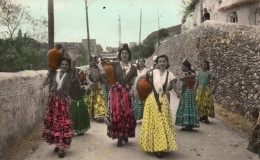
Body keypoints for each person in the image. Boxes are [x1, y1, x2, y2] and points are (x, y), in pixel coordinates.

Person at [139, 54, 180, 159]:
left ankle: (160, 147)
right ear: (157, 63)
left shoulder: (170, 75)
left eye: (164, 61)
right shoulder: (152, 73)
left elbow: (174, 88)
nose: (162, 63)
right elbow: (141, 79)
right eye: (160, 61)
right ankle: (156, 147)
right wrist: (137, 90)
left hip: (163, 101)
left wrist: (180, 95)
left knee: (162, 123)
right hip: (152, 100)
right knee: (154, 123)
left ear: (167, 63)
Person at [98, 44, 137, 147]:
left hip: (127, 93)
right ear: (120, 54)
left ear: (129, 55)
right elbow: (100, 63)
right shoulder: (115, 64)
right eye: (122, 53)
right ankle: (119, 136)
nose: (124, 55)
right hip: (115, 92)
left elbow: (135, 80)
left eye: (126, 53)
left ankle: (125, 134)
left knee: (126, 114)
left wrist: (132, 87)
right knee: (117, 114)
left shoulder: (133, 68)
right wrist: (102, 71)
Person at [42, 54, 78, 158]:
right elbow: (43, 83)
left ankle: (62, 147)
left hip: (64, 102)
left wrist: (73, 62)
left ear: (69, 65)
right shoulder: (54, 74)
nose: (64, 66)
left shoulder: (70, 75)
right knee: (55, 124)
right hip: (53, 102)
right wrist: (49, 72)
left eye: (67, 64)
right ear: (60, 65)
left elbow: (73, 71)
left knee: (63, 124)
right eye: (62, 64)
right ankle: (57, 144)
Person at [175, 59, 199, 131]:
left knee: (187, 106)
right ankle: (189, 124)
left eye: (182, 67)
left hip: (187, 91)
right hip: (189, 91)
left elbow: (194, 77)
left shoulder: (189, 74)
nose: (181, 68)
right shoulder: (189, 73)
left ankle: (188, 124)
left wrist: (185, 78)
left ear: (186, 67)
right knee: (189, 107)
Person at [86, 55, 107, 122]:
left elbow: (102, 78)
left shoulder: (98, 69)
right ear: (90, 61)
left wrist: (106, 82)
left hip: (98, 87)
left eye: (94, 60)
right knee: (92, 101)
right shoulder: (88, 70)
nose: (93, 62)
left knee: (99, 101)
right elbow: (87, 78)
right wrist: (90, 82)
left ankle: (99, 115)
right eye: (92, 60)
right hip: (91, 87)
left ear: (96, 61)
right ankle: (93, 115)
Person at [70, 68, 90, 136]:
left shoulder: (81, 81)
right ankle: (73, 129)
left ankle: (79, 129)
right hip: (73, 100)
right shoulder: (69, 81)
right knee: (74, 115)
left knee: (78, 114)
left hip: (79, 101)